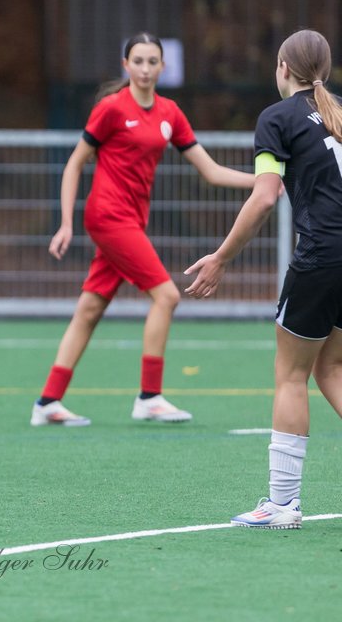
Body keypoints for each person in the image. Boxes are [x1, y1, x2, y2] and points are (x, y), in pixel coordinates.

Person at [32, 32, 256, 428]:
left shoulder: (170, 113)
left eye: (153, 62)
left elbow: (211, 171)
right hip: (107, 217)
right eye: (138, 61)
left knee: (90, 308)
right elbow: (74, 164)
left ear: (162, 67)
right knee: (167, 296)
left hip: (131, 222)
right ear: (126, 65)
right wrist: (66, 222)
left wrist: (263, 182)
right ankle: (149, 397)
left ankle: (47, 402)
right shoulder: (111, 109)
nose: (146, 69)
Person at [186, 29, 342, 530]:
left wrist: (221, 257)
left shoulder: (276, 118)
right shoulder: (338, 111)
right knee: (332, 369)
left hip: (321, 257)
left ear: (282, 67)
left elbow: (264, 196)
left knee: (292, 375)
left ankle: (282, 504)